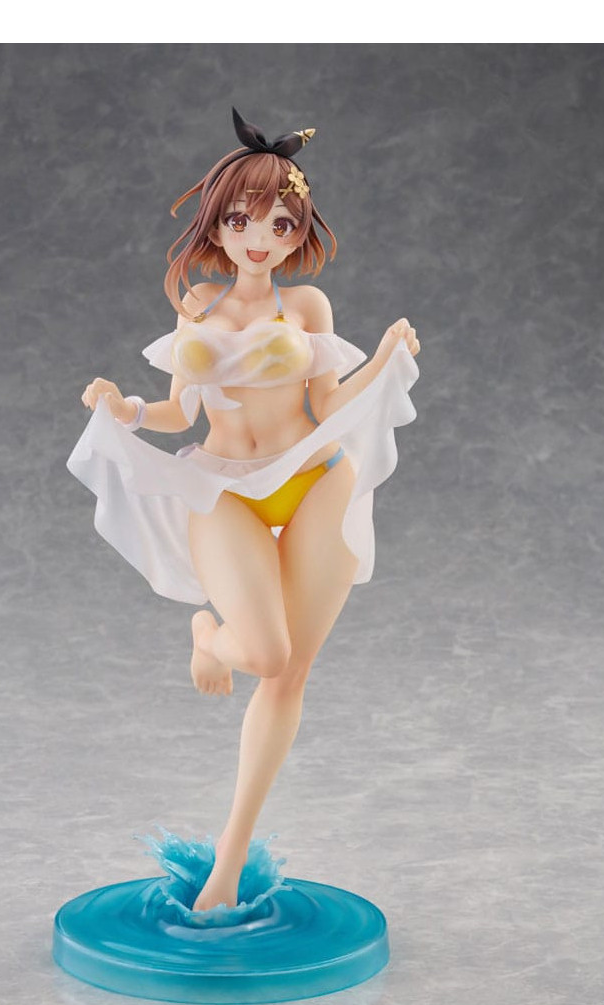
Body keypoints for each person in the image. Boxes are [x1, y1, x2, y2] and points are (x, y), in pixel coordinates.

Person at [69, 108, 421, 911]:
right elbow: (178, 412)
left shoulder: (309, 308)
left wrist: (385, 358)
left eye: (279, 223)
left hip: (314, 476)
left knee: (290, 674)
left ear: (297, 233)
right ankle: (211, 637)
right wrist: (124, 408)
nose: (259, 238)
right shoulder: (198, 305)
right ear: (218, 226)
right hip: (224, 488)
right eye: (241, 220)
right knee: (262, 652)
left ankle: (227, 866)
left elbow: (329, 403)